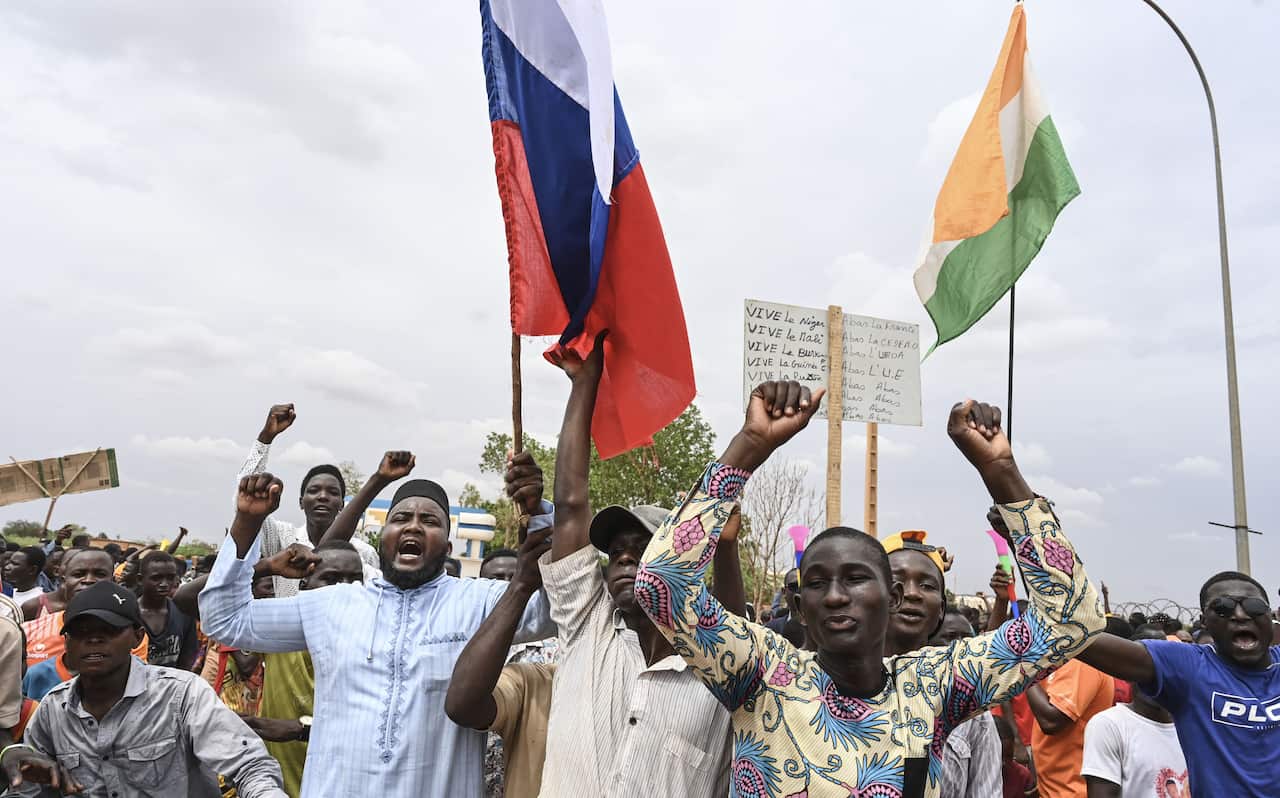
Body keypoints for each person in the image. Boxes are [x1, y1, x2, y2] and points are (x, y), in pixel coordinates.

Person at [636, 384, 1106, 798]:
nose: (837, 596)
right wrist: (749, 447)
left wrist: (1001, 471)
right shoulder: (764, 674)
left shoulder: (933, 685)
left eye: (856, 579)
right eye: (818, 584)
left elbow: (1072, 619)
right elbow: (661, 584)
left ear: (893, 598)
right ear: (800, 607)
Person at [200, 451, 556, 797]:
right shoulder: (333, 604)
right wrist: (247, 523)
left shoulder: (479, 601)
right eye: (400, 519)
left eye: (429, 521)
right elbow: (224, 620)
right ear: (381, 538)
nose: (413, 525)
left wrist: (537, 512)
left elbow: (559, 608)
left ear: (447, 547)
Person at [532, 335, 738, 796]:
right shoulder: (588, 627)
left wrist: (726, 547)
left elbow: (734, 626)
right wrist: (584, 384)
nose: (625, 557)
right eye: (617, 552)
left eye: (643, 550)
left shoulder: (715, 670)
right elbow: (570, 505)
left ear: (680, 572)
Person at [1, 581, 287, 796]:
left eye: (108, 630)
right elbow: (26, 788)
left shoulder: (182, 694)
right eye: (81, 632)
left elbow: (250, 765)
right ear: (67, 642)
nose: (93, 640)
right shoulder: (53, 709)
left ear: (137, 636)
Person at [1077, 570, 1280, 796]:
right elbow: (1088, 643)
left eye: (1253, 606)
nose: (1241, 615)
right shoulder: (1191, 666)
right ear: (1204, 621)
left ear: (1270, 616)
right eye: (1223, 608)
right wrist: (1060, 630)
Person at [241, 542, 366, 797]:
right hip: (276, 786)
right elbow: (189, 600)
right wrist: (266, 566)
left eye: (355, 581)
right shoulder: (279, 629)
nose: (343, 589)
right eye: (330, 579)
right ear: (303, 586)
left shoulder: (375, 642)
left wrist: (301, 730)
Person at [883, 531, 1001, 798]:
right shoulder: (837, 685)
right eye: (896, 582)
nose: (911, 593)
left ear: (941, 609)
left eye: (927, 585)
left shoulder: (969, 703)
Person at [446, 527, 555, 798]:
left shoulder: (553, 650)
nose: (507, 586)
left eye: (513, 578)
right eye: (497, 580)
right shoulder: (461, 644)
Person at [237, 403, 380, 596]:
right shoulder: (282, 538)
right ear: (301, 502)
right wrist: (266, 438)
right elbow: (247, 499)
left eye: (332, 492)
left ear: (342, 505)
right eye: (314, 491)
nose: (323, 496)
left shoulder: (364, 553)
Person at [1080, 626, 1187, 798]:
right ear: (1127, 672)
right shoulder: (1109, 726)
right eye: (1147, 669)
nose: (1156, 679)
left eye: (1164, 667)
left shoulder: (1192, 726)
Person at [23, 548, 148, 669]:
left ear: (113, 581)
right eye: (78, 574)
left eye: (100, 574)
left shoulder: (127, 632)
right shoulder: (29, 631)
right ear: (64, 580)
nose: (88, 580)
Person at [1025, 636, 1115, 798]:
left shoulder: (1080, 660)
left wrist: (1024, 665)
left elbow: (1051, 721)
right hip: (1055, 788)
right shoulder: (1060, 654)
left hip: (1073, 790)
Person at [137, 551, 199, 670]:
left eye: (170, 578)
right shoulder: (130, 614)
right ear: (140, 579)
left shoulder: (183, 611)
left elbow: (188, 656)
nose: (164, 584)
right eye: (156, 578)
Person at [995, 712, 1038, 798]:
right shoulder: (973, 776)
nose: (1004, 762)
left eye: (1008, 756)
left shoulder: (1022, 776)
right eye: (998, 757)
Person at [765, 568, 807, 648]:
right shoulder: (771, 630)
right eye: (794, 586)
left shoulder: (824, 630)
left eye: (805, 585)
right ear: (784, 592)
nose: (800, 590)